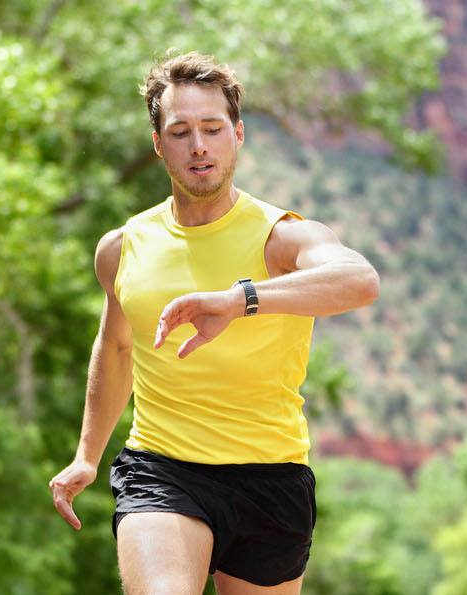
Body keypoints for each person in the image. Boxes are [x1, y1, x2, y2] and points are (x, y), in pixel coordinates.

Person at [47, 50, 380, 595]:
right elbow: (117, 348)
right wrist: (88, 454)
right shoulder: (123, 248)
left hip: (270, 476)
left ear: (238, 134)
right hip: (162, 468)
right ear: (158, 144)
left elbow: (359, 280)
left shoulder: (282, 237)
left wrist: (240, 300)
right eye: (180, 131)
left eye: (212, 128)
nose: (198, 145)